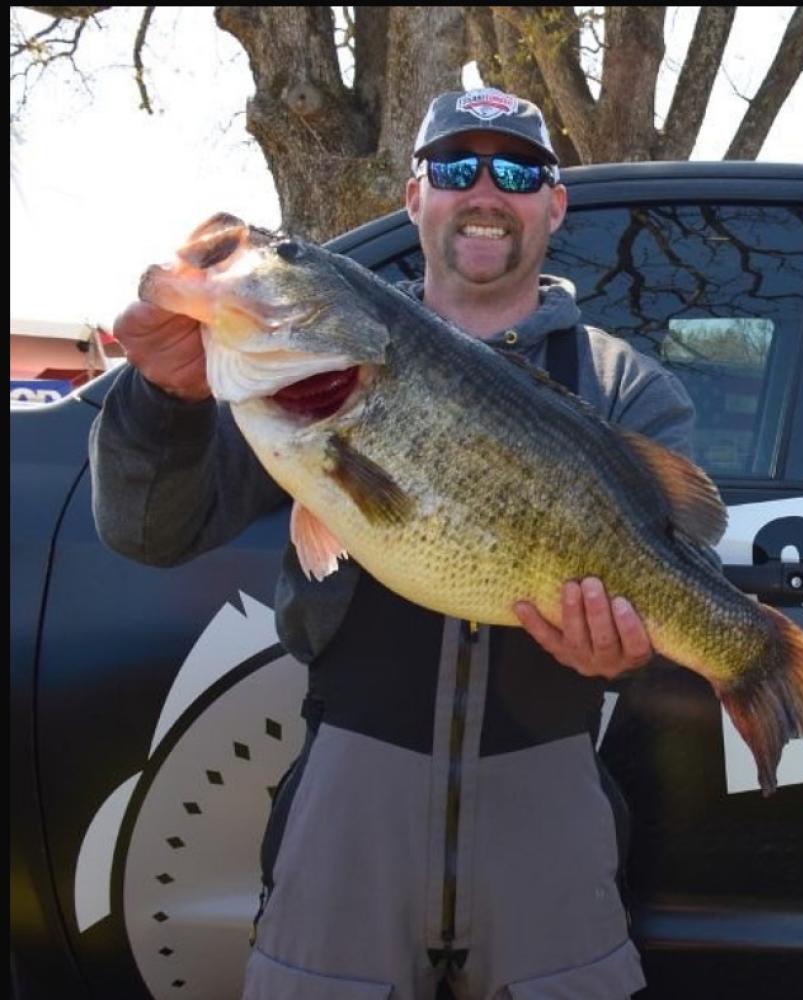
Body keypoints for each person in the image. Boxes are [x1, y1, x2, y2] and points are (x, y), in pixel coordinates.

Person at [88, 87, 695, 999]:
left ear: (554, 203)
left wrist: (632, 652)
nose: (485, 190)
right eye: (455, 167)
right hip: (347, 796)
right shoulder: (299, 373)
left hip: (552, 805)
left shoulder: (625, 389)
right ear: (415, 198)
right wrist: (161, 401)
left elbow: (675, 576)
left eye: (517, 170)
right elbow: (149, 531)